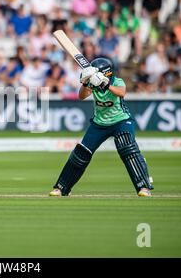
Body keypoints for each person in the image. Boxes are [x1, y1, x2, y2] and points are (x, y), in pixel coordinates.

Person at [49, 58, 154, 197]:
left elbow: (122, 93)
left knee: (128, 149)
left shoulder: (117, 81)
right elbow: (81, 96)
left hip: (121, 121)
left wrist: (106, 86)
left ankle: (144, 188)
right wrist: (86, 83)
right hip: (99, 124)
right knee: (81, 153)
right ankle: (61, 188)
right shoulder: (93, 84)